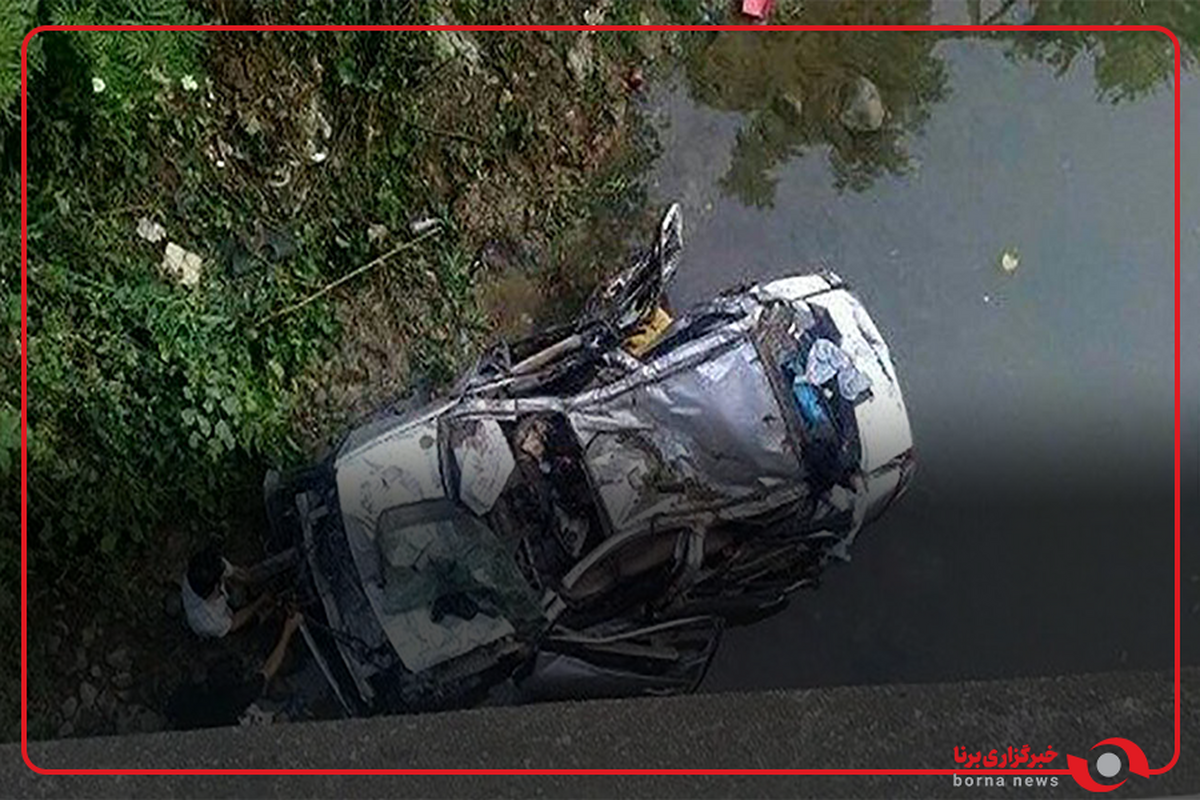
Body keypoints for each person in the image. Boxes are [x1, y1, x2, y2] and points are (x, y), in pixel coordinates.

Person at [166, 611, 305, 729]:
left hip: (192, 723)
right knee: (270, 724)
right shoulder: (237, 697)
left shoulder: (192, 693)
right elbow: (269, 669)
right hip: (224, 732)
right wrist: (288, 630)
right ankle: (282, 717)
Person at [181, 545, 276, 638]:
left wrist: (251, 580)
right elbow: (233, 624)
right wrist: (259, 601)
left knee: (236, 596)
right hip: (217, 618)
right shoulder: (207, 620)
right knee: (247, 622)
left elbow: (235, 572)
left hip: (219, 603)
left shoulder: (212, 565)